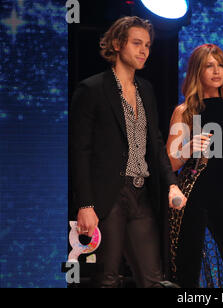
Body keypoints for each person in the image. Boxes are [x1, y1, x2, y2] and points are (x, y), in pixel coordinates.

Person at [69, 16, 186, 288]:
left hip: (141, 193)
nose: (144, 50)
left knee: (153, 278)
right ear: (118, 44)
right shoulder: (92, 89)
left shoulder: (146, 89)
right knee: (107, 278)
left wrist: (171, 184)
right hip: (108, 195)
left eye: (147, 45)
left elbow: (155, 143)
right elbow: (80, 150)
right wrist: (85, 204)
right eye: (137, 43)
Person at [166, 44, 223, 288]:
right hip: (193, 195)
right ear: (197, 71)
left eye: (221, 65)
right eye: (209, 66)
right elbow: (169, 163)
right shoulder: (184, 111)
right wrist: (188, 148)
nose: (217, 71)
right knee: (188, 269)